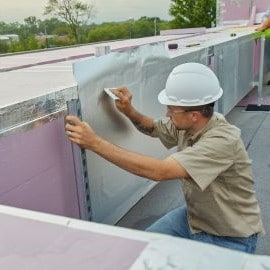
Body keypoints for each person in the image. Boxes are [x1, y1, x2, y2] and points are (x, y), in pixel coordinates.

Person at [65, 62, 264, 253]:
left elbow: (159, 171)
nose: (167, 113)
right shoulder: (192, 124)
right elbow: (152, 127)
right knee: (145, 249)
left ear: (194, 115)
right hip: (196, 219)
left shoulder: (222, 141)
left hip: (229, 236)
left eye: (171, 109)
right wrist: (128, 110)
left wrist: (94, 143)